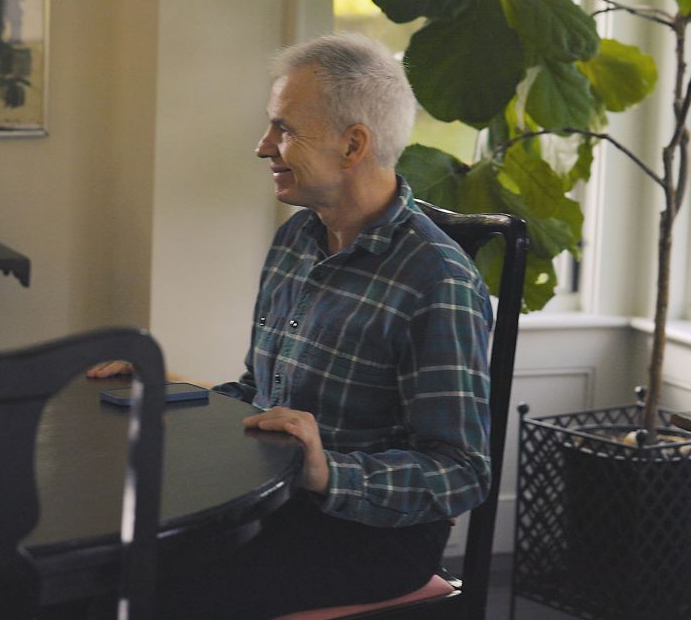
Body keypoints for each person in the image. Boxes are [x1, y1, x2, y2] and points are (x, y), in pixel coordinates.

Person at [89, 33, 493, 617]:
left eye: (285, 130)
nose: (263, 147)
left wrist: (329, 473)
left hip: (372, 539)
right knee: (108, 562)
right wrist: (159, 390)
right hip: (273, 505)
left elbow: (460, 472)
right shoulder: (297, 240)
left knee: (149, 592)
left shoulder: (438, 283)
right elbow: (258, 398)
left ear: (353, 145)